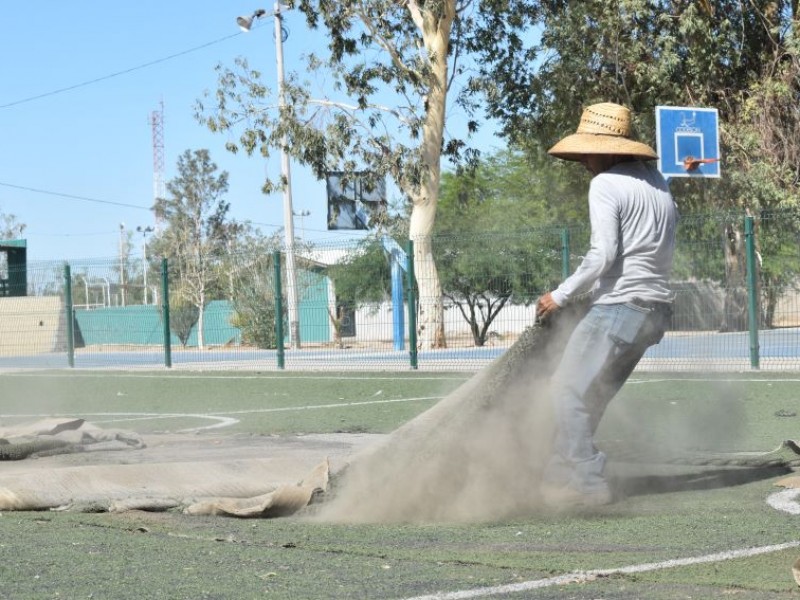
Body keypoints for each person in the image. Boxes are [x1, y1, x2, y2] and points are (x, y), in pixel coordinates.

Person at [535, 102, 679, 508]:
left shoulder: (606, 185)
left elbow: (602, 255)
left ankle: (588, 480)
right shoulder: (658, 183)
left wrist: (558, 295)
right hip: (655, 311)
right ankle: (558, 475)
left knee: (565, 388)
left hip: (619, 306)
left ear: (606, 148)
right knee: (591, 395)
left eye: (587, 150)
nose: (583, 160)